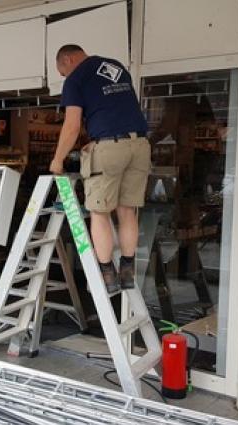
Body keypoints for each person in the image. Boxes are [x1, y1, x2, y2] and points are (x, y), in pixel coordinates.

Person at [50, 44, 151, 295]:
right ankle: (127, 269)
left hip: (109, 148)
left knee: (99, 211)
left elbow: (72, 125)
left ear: (68, 59)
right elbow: (117, 109)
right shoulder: (114, 66)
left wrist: (58, 159)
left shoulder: (76, 78)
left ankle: (107, 273)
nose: (64, 77)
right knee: (127, 210)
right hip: (139, 145)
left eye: (62, 71)